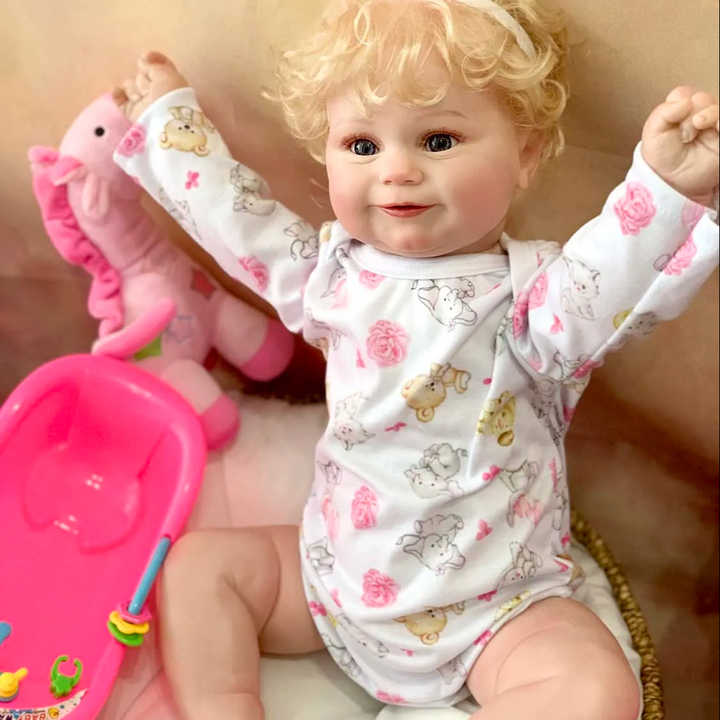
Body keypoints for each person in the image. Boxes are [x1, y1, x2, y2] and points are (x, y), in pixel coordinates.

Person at [112, 0, 719, 717]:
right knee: (194, 568)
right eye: (362, 145)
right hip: (336, 585)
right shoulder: (329, 278)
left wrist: (664, 184)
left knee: (594, 691)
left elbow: (612, 274)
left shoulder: (537, 299)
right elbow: (236, 220)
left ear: (525, 155)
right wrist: (171, 126)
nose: (396, 170)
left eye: (437, 139)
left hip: (497, 612)